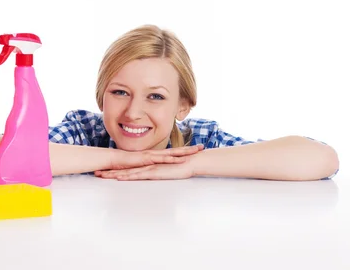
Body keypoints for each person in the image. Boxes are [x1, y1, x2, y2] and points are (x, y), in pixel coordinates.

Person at [48, 24, 339, 181]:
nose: (134, 112)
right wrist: (119, 159)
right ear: (102, 96)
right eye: (120, 92)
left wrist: (190, 165)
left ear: (182, 106)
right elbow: (5, 157)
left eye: (156, 97)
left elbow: (322, 158)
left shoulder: (199, 140)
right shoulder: (84, 132)